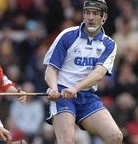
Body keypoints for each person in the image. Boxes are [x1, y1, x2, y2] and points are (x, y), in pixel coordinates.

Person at [43, 0, 123, 144]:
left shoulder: (109, 44)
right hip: (62, 95)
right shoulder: (67, 35)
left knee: (115, 136)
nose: (90, 17)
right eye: (87, 13)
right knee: (67, 141)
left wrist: (76, 88)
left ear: (104, 17)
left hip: (87, 97)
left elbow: (98, 74)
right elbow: (51, 69)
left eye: (95, 13)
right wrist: (54, 88)